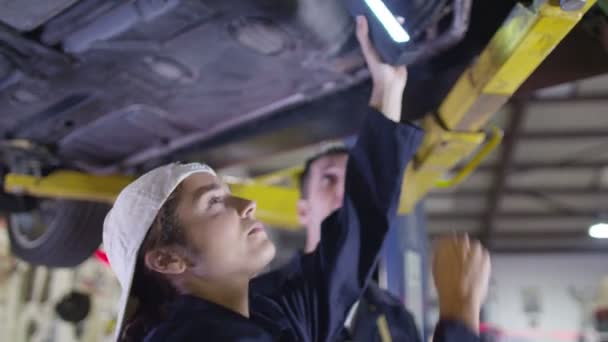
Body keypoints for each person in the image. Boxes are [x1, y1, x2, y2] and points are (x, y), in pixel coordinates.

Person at [102, 16, 487, 342]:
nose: (246, 204)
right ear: (168, 260)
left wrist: (387, 86)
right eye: (213, 202)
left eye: (228, 194)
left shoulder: (268, 312)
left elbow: (353, 238)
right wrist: (459, 315)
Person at [295, 144, 422, 342]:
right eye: (328, 179)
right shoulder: (265, 304)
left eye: (354, 182)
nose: (344, 193)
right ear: (303, 211)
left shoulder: (396, 318)